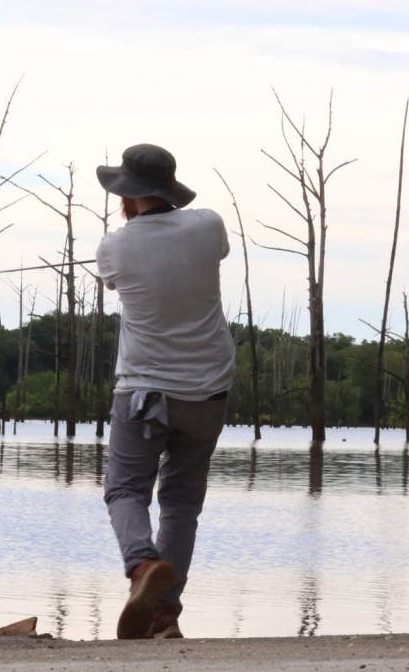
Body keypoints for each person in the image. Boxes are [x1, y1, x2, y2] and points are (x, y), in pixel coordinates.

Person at [95, 143, 236, 640]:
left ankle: (141, 566)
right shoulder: (208, 224)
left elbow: (114, 280)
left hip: (142, 392)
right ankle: (163, 615)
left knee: (125, 490)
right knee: (180, 503)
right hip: (207, 392)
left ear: (127, 196)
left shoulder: (114, 246)